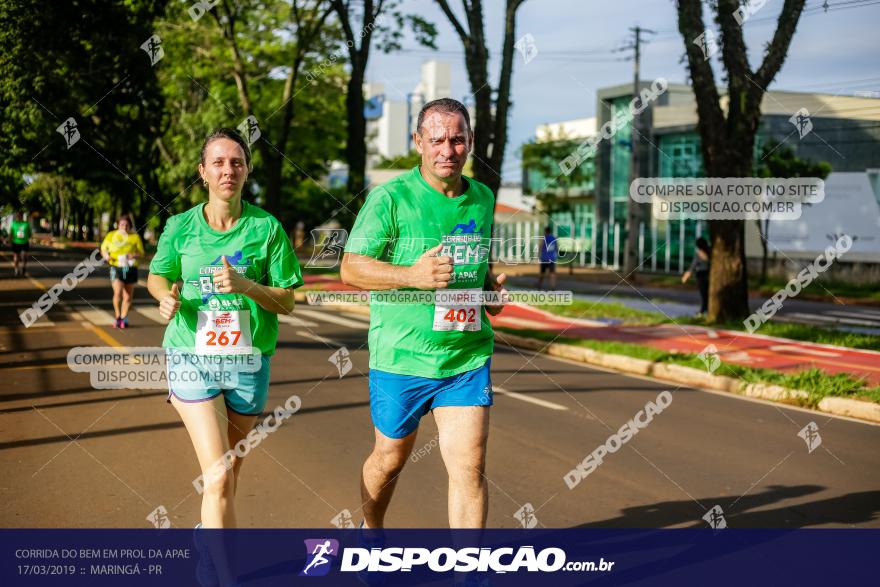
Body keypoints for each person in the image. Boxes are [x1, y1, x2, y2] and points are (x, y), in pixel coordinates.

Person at [340, 98, 508, 531]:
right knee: (390, 458)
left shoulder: (483, 198)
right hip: (401, 356)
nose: (447, 151)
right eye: (436, 140)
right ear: (418, 142)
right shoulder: (390, 198)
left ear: (469, 142)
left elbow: (476, 265)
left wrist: (489, 290)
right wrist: (411, 274)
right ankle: (371, 531)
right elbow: (351, 267)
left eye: (457, 140)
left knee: (469, 467)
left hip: (464, 356)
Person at [147, 128, 303, 530]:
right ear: (203, 172)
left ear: (247, 170)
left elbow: (286, 300)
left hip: (248, 363)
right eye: (218, 162)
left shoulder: (266, 229)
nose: (227, 170)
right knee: (217, 476)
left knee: (228, 476)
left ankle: (207, 539)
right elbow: (157, 275)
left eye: (236, 162)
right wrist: (165, 296)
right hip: (191, 356)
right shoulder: (180, 226)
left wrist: (246, 286)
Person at [100, 214, 145, 328]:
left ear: (130, 226)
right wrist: (106, 256)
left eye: (127, 225)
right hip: (116, 267)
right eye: (122, 225)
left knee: (128, 297)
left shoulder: (135, 237)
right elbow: (103, 248)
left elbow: (141, 253)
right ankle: (117, 316)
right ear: (118, 225)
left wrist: (133, 255)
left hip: (130, 268)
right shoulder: (111, 235)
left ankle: (124, 318)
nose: (124, 227)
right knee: (118, 292)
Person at [682, 236, 711, 316]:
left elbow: (693, 266)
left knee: (704, 294)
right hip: (710, 275)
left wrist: (686, 275)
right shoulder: (711, 252)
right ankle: (706, 310)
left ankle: (703, 311)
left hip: (701, 275)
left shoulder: (698, 254)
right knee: (708, 294)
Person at [10, 211, 32, 277]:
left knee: (24, 256)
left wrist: (30, 240)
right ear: (17, 217)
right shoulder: (14, 224)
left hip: (24, 242)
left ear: (22, 217)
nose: (19, 217)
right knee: (16, 256)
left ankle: (24, 267)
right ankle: (16, 269)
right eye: (18, 216)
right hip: (15, 242)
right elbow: (11, 234)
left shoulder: (26, 224)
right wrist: (9, 241)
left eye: (21, 216)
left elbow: (29, 234)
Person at [537, 225, 557, 290]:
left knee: (542, 273)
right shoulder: (554, 238)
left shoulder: (544, 238)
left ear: (545, 231)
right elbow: (556, 248)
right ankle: (553, 287)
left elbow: (540, 247)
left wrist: (538, 256)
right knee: (552, 273)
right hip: (552, 258)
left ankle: (539, 285)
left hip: (544, 258)